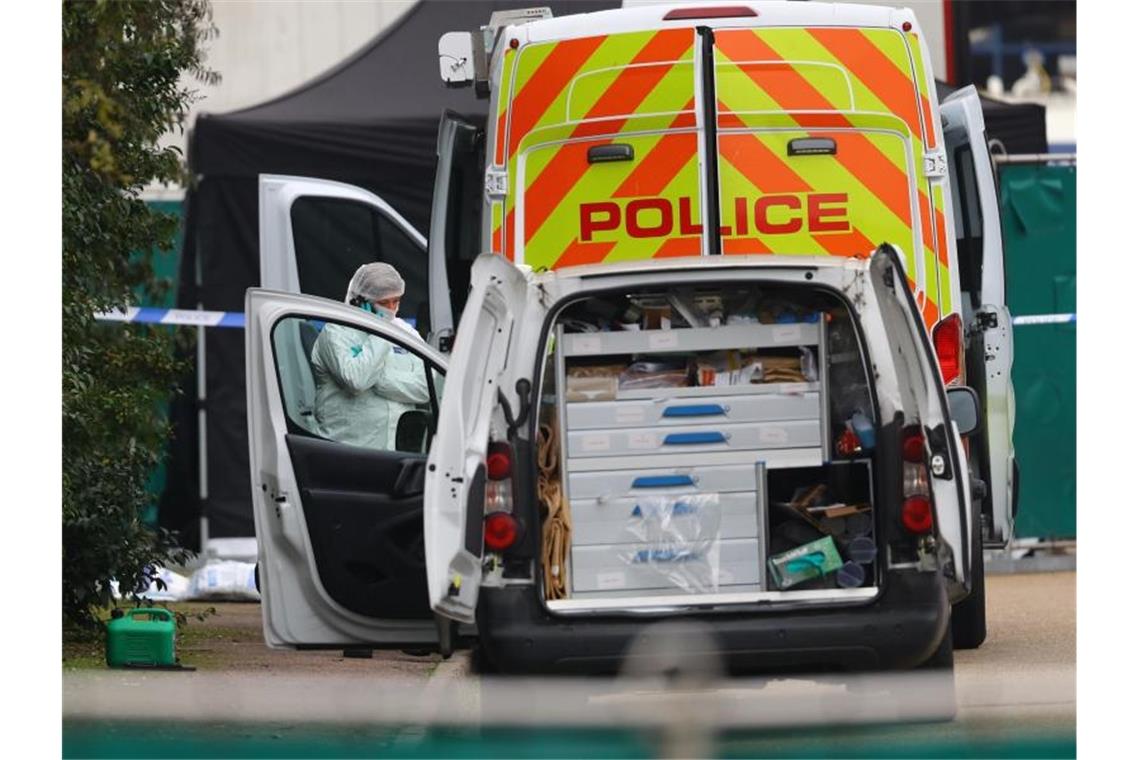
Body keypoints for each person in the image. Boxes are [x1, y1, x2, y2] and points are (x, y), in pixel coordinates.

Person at [311, 262, 430, 450]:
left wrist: (380, 382)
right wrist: (381, 331)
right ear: (360, 301)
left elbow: (427, 388)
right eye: (384, 303)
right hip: (346, 451)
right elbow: (357, 381)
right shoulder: (336, 332)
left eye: (396, 301)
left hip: (398, 452)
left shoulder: (407, 333)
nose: (391, 309)